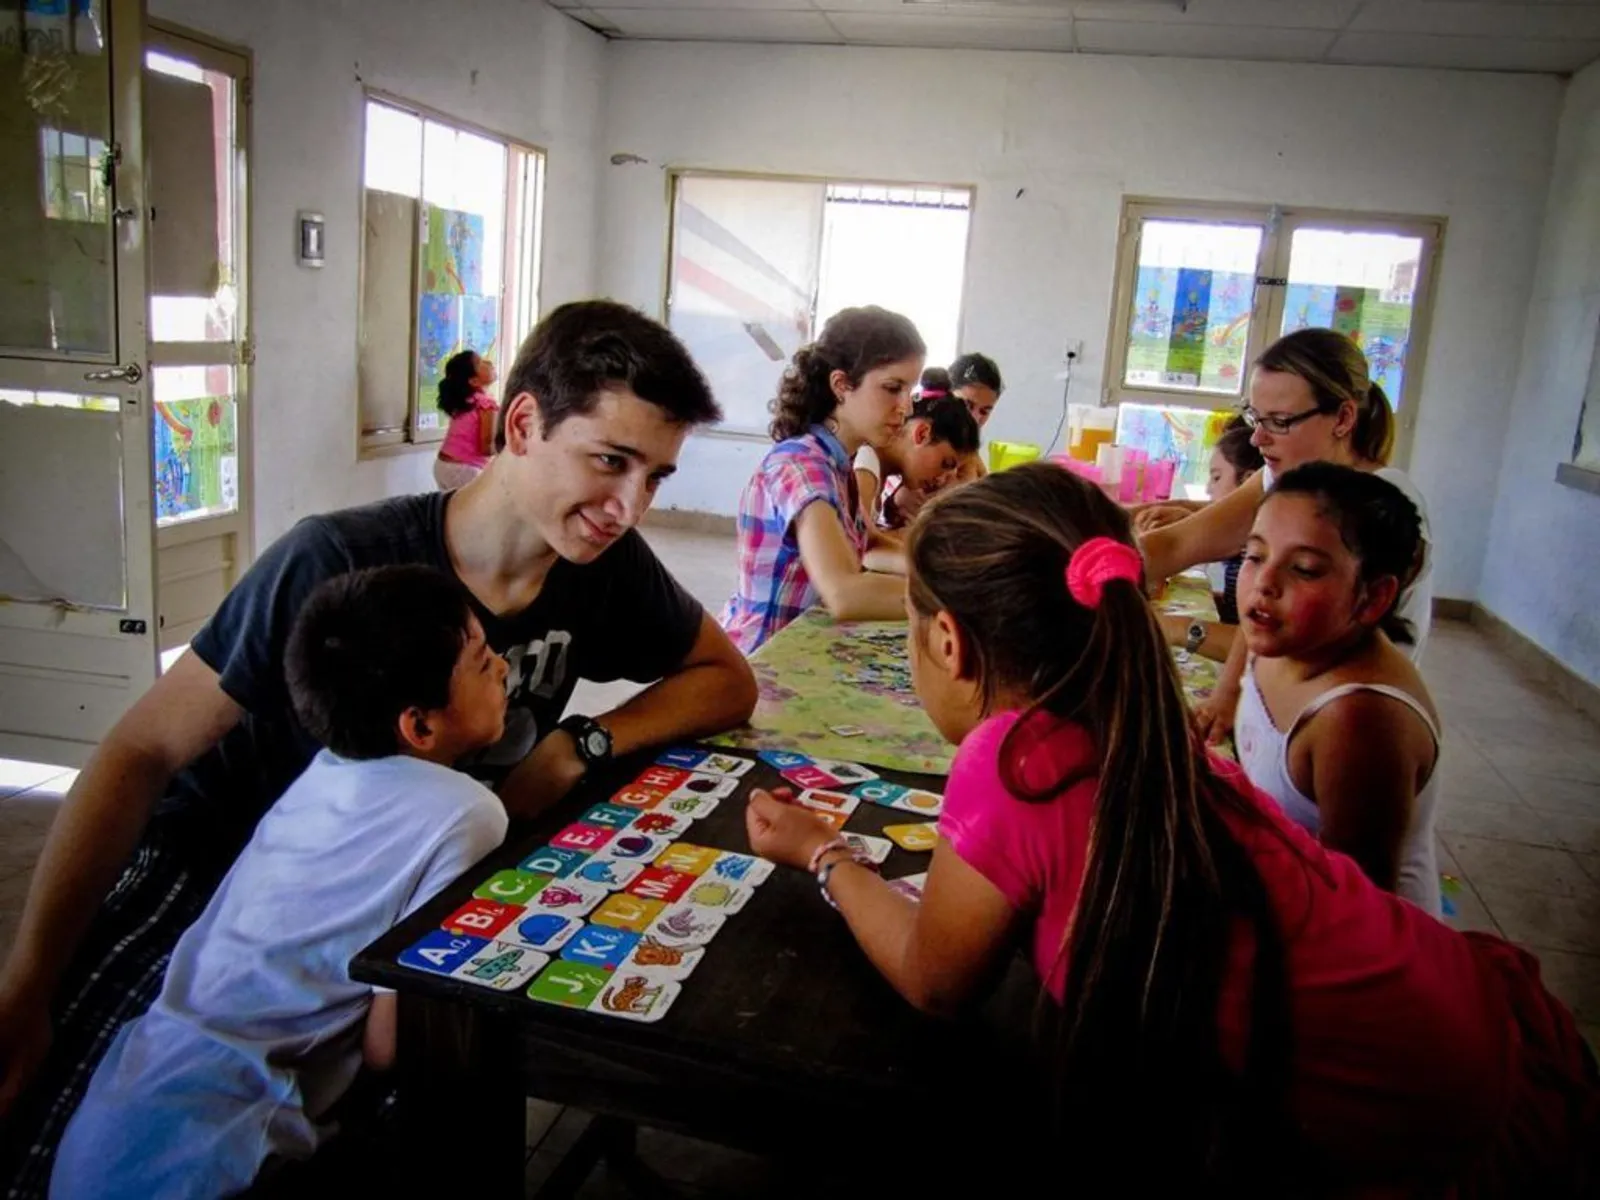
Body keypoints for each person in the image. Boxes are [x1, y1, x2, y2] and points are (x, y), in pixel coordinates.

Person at [0, 300, 758, 1197]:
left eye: (657, 479)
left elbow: (726, 679)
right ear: (520, 423)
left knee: (424, 1107)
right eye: (610, 461)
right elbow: (142, 751)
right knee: (67, 1122)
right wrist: (26, 986)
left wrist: (576, 744)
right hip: (225, 881)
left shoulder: (602, 567)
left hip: (399, 893)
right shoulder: (339, 564)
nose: (628, 508)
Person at [744, 463, 1598, 1193]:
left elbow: (936, 980)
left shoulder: (1012, 757)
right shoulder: (1134, 708)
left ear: (948, 642)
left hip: (1429, 1129)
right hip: (1463, 1028)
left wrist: (824, 853)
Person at [50, 566, 511, 1199]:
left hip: (114, 1120)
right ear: (420, 726)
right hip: (225, 1153)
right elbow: (390, 1046)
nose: (506, 669)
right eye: (484, 664)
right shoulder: (467, 813)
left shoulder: (325, 771)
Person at [1140, 328, 1434, 743]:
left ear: (1344, 418)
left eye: (1279, 422)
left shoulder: (1380, 503)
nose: (1258, 438)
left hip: (1330, 721)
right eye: (1254, 419)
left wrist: (1180, 633)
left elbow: (1297, 629)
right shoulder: (1287, 478)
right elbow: (1180, 544)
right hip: (1281, 706)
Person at [1235, 463, 1443, 914]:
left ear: (1373, 598)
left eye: (1305, 569)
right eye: (1254, 556)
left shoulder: (1358, 719)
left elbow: (1356, 913)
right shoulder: (1285, 638)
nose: (1265, 584)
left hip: (1352, 940)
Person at [720, 306, 925, 654]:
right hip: (760, 657)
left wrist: (952, 571)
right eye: (893, 388)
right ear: (841, 385)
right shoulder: (802, 464)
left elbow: (868, 546)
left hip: (800, 646)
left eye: (911, 391)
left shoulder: (838, 463)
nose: (905, 407)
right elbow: (844, 592)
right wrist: (959, 602)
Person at [1152, 417, 1263, 662]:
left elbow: (1260, 645)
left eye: (1216, 477)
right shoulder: (1246, 543)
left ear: (1248, 482)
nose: (1208, 489)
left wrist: (1176, 628)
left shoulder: (1260, 548)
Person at [853, 395, 979, 534]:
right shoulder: (866, 464)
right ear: (922, 434)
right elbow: (851, 546)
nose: (941, 479)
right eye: (945, 464)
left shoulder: (876, 470)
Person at [433, 349, 499, 490]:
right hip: (464, 469)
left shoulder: (467, 401)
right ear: (474, 381)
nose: (488, 362)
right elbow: (486, 448)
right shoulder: (486, 404)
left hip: (442, 465)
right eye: (480, 362)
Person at [949, 352, 1004, 484]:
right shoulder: (921, 438)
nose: (974, 418)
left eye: (984, 411)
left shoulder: (968, 448)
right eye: (966, 405)